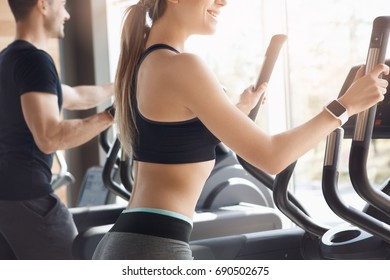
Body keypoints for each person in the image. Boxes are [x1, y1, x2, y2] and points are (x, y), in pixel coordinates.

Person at [92, 0, 389, 260]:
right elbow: (272, 157)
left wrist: (238, 110)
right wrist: (345, 106)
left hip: (129, 242)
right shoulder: (182, 65)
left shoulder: (145, 62)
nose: (223, 2)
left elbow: (172, 136)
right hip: (152, 250)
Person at [0, 0, 115, 259]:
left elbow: (74, 96)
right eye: (62, 5)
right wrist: (113, 115)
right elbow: (50, 137)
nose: (67, 14)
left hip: (6, 202)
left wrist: (118, 86)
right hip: (29, 198)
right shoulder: (35, 61)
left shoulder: (8, 60)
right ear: (43, 5)